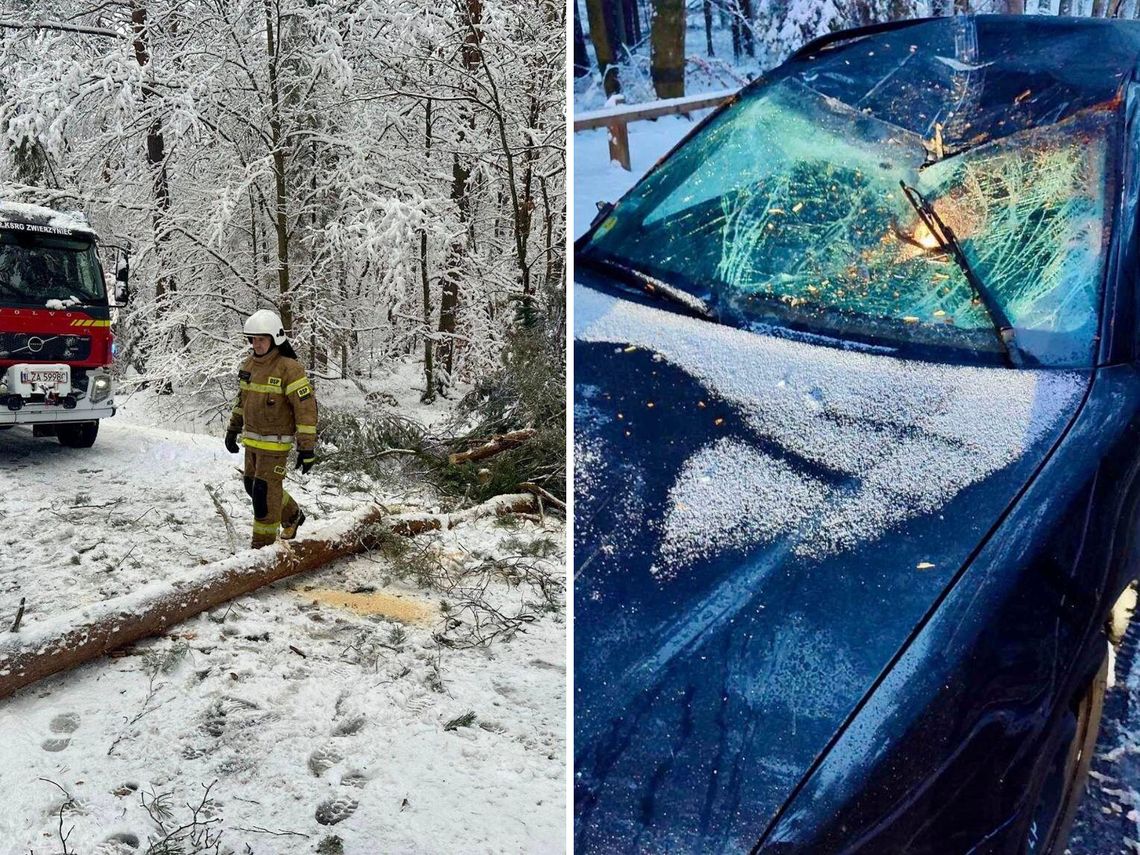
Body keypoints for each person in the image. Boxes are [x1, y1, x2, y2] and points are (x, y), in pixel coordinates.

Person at [224, 309, 318, 548]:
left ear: (275, 339)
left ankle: (262, 549)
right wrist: (233, 430)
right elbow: (241, 400)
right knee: (251, 486)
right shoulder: (249, 365)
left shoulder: (289, 368)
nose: (256, 344)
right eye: (253, 339)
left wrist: (306, 448)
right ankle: (292, 515)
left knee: (263, 495)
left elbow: (305, 410)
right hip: (252, 443)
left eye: (261, 339)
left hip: (276, 444)